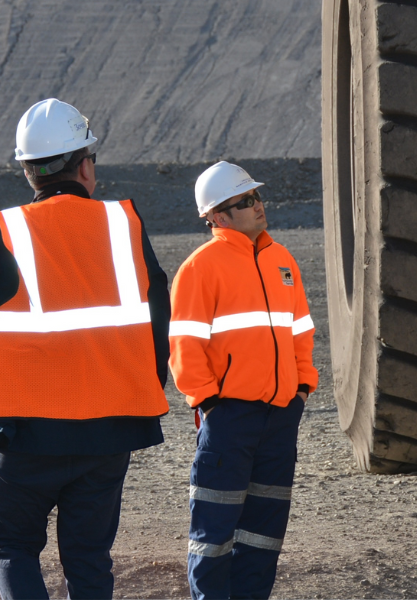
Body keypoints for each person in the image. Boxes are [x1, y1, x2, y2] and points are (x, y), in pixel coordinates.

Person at [0, 98, 171, 600]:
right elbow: (159, 316)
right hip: (112, 426)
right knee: (89, 556)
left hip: (22, 430)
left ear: (29, 172)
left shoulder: (1, 230)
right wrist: (139, 389)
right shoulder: (125, 226)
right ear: (85, 166)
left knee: (12, 545)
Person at [169, 161, 318, 599]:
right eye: (246, 201)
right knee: (213, 535)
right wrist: (209, 402)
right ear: (217, 216)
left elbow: (301, 331)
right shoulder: (201, 267)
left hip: (279, 419)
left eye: (256, 197)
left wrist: (301, 389)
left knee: (264, 535)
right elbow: (184, 345)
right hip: (229, 420)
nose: (259, 205)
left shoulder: (282, 259)